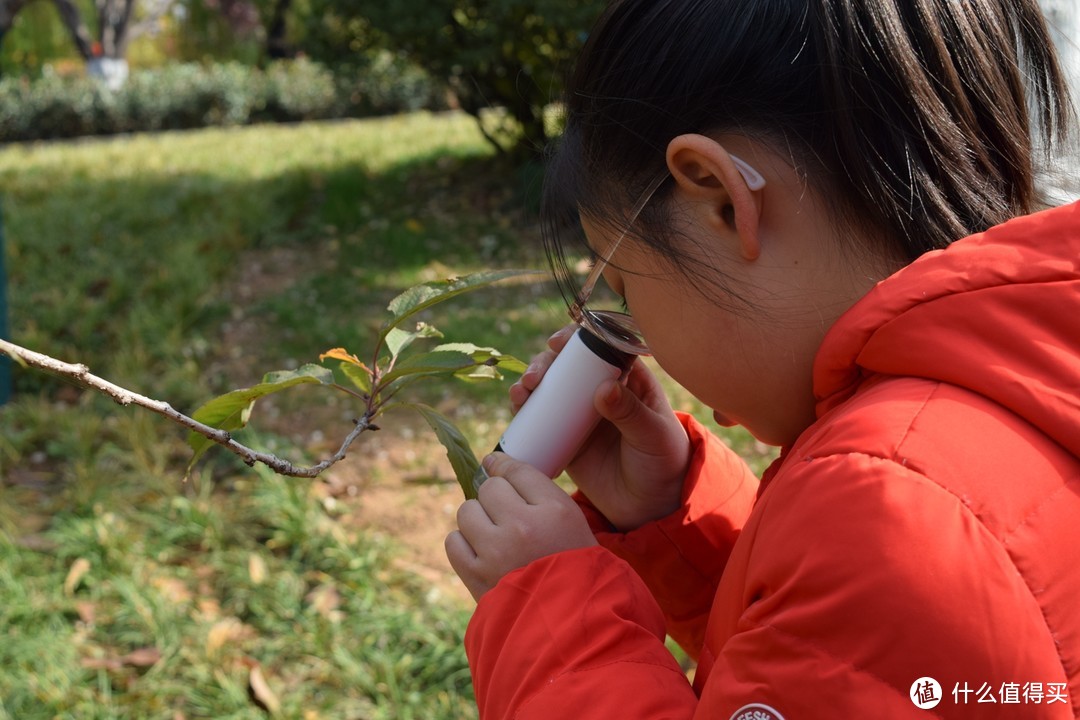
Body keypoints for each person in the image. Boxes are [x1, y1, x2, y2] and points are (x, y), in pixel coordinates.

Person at [444, 0, 1080, 717]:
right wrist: (675, 514)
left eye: (628, 286)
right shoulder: (1005, 387)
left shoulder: (890, 508)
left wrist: (549, 614)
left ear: (720, 200)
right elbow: (835, 652)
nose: (640, 335)